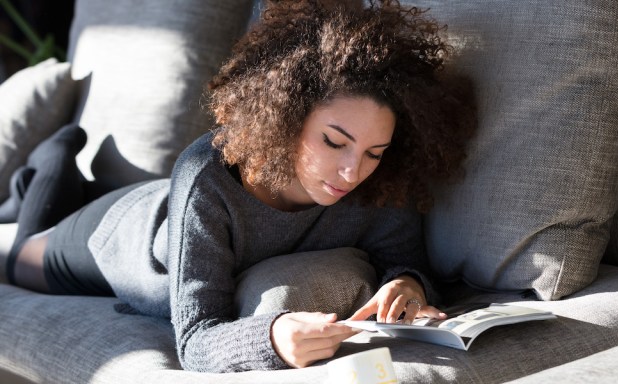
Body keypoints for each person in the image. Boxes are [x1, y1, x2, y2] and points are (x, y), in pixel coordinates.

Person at [1, 0, 476, 373]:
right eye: (334, 142)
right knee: (21, 256)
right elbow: (195, 340)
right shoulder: (209, 173)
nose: (353, 172)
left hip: (167, 207)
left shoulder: (382, 178)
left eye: (374, 152)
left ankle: (62, 170)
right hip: (126, 232)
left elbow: (405, 258)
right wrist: (271, 339)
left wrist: (407, 284)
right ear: (287, 118)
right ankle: (53, 158)